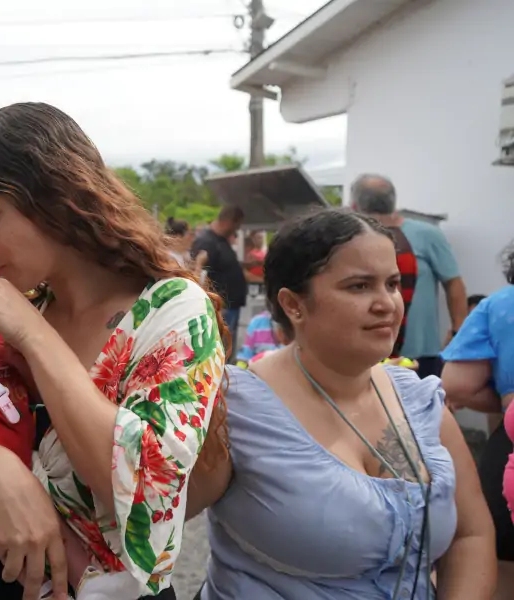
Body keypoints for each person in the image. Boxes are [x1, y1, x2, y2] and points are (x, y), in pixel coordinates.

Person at [0, 103, 229, 600]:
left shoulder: (170, 309)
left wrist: (34, 338)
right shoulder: (23, 302)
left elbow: (143, 486)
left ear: (58, 198)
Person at [191, 208, 494, 599]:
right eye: (359, 286)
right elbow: (142, 520)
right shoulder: (235, 411)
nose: (387, 303)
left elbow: (471, 535)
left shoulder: (420, 400)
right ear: (294, 305)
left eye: (392, 284)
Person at [441, 245, 514, 600]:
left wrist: (505, 398)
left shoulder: (500, 305)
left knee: (503, 569)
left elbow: (456, 385)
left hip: (511, 449)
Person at [352, 174, 468, 378]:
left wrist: (459, 333)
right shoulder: (349, 238)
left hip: (418, 354)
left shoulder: (427, 234)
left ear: (354, 205)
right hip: (366, 351)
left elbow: (453, 283)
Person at [191, 206, 246, 361]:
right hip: (221, 308)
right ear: (229, 222)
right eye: (237, 225)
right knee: (220, 350)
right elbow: (200, 274)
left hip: (231, 305)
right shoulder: (206, 242)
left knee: (227, 348)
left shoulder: (221, 241)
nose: (237, 229)